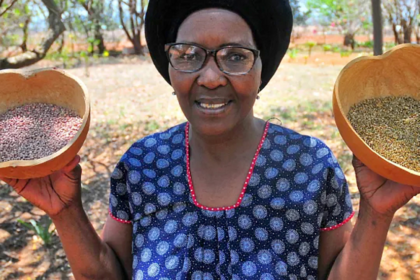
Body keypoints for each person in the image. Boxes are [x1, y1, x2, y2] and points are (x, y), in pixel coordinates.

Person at [1, 0, 419, 279]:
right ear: (171, 68)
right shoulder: (142, 165)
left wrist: (377, 213)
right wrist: (66, 211)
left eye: (235, 56)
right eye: (189, 55)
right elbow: (109, 274)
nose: (212, 76)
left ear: (261, 71)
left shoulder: (309, 166)